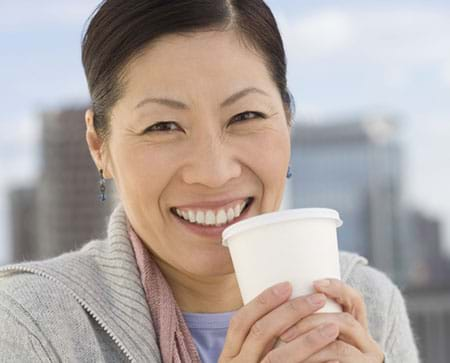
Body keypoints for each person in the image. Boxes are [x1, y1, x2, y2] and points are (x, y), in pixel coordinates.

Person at [0, 1, 419, 362]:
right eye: (163, 126)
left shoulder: (370, 305)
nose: (214, 172)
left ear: (287, 122)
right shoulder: (30, 323)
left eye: (245, 116)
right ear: (99, 146)